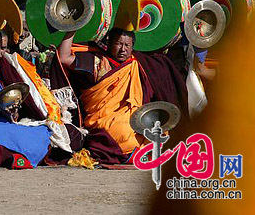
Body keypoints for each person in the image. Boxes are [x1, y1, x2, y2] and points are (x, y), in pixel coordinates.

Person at [53, 10, 187, 164]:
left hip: (135, 115)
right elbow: (63, 58)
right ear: (109, 43)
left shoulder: (139, 64)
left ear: (132, 47)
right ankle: (136, 153)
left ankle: (141, 152)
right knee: (122, 131)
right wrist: (72, 28)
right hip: (105, 119)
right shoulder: (99, 63)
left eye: (127, 45)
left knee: (160, 128)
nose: (123, 49)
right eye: (118, 44)